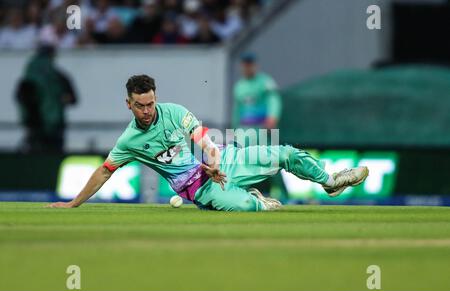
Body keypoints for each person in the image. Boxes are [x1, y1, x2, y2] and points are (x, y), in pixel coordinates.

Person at [47, 75, 369, 211]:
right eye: (140, 105)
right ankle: (252, 199)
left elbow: (204, 140)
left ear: (155, 98)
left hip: (222, 163)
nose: (147, 110)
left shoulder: (173, 112)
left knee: (283, 153)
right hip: (196, 188)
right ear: (128, 104)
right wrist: (74, 203)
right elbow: (105, 171)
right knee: (248, 208)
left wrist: (214, 160)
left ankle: (330, 181)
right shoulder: (129, 141)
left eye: (150, 103)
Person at [15, 44, 77, 153]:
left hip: (33, 127)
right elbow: (73, 99)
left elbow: (19, 98)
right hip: (55, 127)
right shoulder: (59, 77)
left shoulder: (27, 78)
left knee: (34, 159)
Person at [232, 52, 282, 131]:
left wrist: (272, 117)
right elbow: (237, 109)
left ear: (255, 66)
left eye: (250, 65)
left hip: (263, 128)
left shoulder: (265, 81)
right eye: (245, 65)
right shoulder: (239, 86)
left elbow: (274, 100)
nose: (247, 68)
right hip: (245, 129)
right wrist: (234, 128)